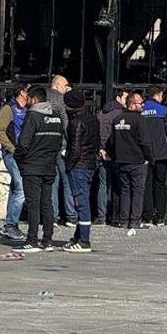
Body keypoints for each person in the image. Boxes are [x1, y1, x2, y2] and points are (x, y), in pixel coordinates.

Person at [14, 86, 63, 251]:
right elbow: (59, 142)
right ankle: (47, 240)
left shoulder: (32, 116)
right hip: (49, 166)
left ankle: (32, 240)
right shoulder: (56, 118)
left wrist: (18, 158)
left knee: (33, 204)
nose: (26, 102)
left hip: (32, 167)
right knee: (47, 203)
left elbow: (23, 144)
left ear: (34, 99)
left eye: (28, 99)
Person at [107, 92, 153, 235]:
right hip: (137, 161)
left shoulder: (117, 119)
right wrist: (149, 157)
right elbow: (145, 142)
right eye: (140, 103)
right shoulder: (140, 120)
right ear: (132, 104)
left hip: (121, 160)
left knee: (125, 190)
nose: (143, 105)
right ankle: (135, 220)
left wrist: (115, 156)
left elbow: (112, 141)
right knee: (138, 191)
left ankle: (124, 219)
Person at [62, 90, 100, 252]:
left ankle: (84, 240)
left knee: (81, 203)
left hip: (79, 166)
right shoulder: (93, 119)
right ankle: (78, 237)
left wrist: (68, 165)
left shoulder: (75, 122)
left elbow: (75, 149)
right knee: (83, 200)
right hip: (90, 163)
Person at [0, 82, 30, 241]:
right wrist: (11, 148)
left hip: (24, 154)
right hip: (12, 153)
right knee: (21, 188)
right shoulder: (9, 108)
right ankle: (10, 225)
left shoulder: (28, 109)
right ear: (21, 92)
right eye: (29, 91)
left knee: (16, 187)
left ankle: (9, 224)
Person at [140, 86, 167, 227]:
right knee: (160, 184)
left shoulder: (141, 109)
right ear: (156, 95)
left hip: (144, 154)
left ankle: (147, 216)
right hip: (161, 153)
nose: (162, 98)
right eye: (161, 95)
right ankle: (159, 216)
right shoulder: (163, 110)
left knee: (146, 185)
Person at [95, 88, 128, 226]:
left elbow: (96, 132)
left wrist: (100, 149)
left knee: (103, 185)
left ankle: (101, 216)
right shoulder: (121, 114)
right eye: (126, 98)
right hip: (116, 154)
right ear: (118, 98)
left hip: (102, 153)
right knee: (120, 186)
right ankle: (118, 216)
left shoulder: (100, 112)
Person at [47, 75, 74, 227]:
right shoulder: (61, 100)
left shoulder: (43, 97)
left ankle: (53, 216)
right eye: (65, 86)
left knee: (52, 182)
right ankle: (71, 216)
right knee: (67, 180)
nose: (66, 88)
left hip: (47, 146)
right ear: (57, 86)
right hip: (61, 145)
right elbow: (66, 123)